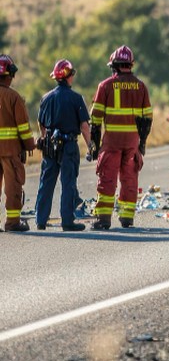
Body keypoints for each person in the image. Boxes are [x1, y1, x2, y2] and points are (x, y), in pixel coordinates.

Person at [89, 46, 152, 230]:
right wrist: (142, 143)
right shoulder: (141, 86)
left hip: (112, 142)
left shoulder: (105, 86)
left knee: (107, 179)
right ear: (130, 65)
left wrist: (94, 144)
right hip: (132, 141)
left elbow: (95, 119)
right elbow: (147, 118)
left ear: (114, 66)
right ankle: (126, 218)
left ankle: (104, 219)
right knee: (130, 179)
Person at [35, 60, 92, 232]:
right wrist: (91, 146)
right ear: (69, 76)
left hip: (49, 146)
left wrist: (45, 138)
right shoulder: (76, 99)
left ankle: (40, 221)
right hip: (68, 146)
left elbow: (41, 123)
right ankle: (67, 221)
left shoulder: (46, 98)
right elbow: (84, 126)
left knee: (46, 183)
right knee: (68, 183)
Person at [0, 55, 36, 232]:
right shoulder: (14, 97)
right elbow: (23, 127)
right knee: (13, 185)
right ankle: (12, 222)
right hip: (9, 150)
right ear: (10, 74)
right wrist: (30, 145)